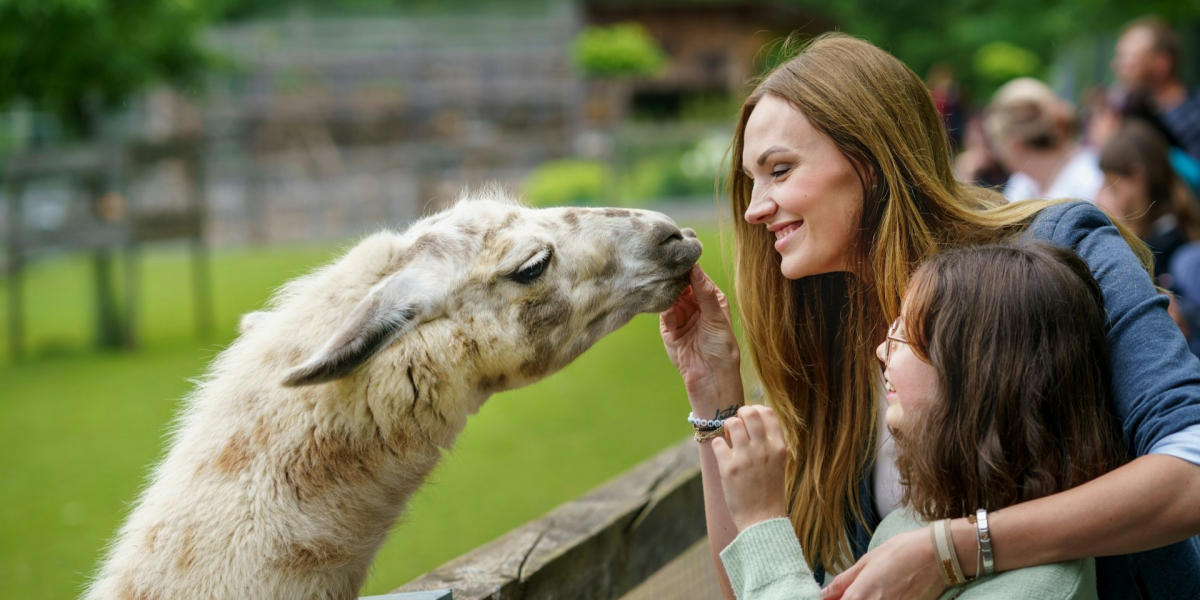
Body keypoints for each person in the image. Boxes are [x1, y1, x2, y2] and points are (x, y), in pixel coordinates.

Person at [658, 33, 1200, 600]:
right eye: (751, 180)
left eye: (780, 170)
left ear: (869, 162)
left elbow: (1189, 464)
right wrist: (713, 393)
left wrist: (955, 550)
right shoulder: (834, 337)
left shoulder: (1056, 251)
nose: (753, 207)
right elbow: (757, 580)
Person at [712, 242, 1123, 599]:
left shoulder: (1038, 590)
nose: (880, 351)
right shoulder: (912, 523)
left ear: (978, 376)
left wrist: (763, 520)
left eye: (904, 336)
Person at [1096, 120, 1200, 282]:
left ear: (1136, 177)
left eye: (1112, 186)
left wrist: (1121, 232)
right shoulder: (1171, 223)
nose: (1105, 195)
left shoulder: (1164, 243)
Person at [983, 78, 1104, 203]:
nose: (996, 155)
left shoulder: (1089, 179)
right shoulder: (1023, 183)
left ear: (1017, 145)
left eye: (997, 147)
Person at [1112, 17, 1200, 161]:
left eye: (1130, 60)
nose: (1118, 67)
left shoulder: (1194, 118)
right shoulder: (1126, 111)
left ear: (1161, 64)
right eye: (1119, 58)